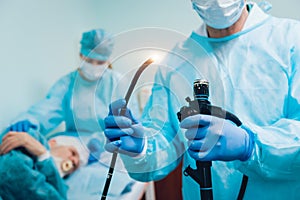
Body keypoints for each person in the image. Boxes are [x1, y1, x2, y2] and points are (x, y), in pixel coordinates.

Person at [104, 0, 300, 199]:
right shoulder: (176, 60)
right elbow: (165, 140)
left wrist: (250, 144)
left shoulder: (292, 40)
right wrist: (141, 148)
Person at [4, 29, 142, 199]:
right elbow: (46, 109)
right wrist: (27, 121)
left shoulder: (118, 83)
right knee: (42, 162)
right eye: (90, 60)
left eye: (100, 62)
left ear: (108, 60)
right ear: (81, 55)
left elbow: (128, 124)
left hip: (109, 144)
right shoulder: (67, 84)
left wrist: (99, 144)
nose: (94, 66)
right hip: (73, 139)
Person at [0, 123, 85, 199]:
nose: (75, 162)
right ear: (52, 143)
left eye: (76, 167)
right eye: (73, 153)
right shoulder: (29, 137)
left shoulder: (63, 188)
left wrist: (43, 155)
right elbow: (11, 174)